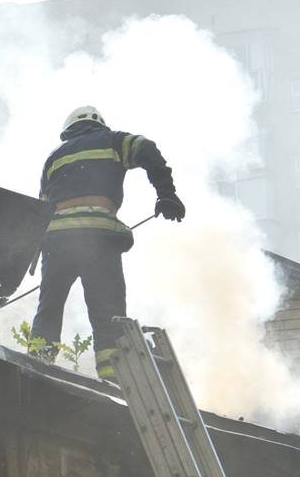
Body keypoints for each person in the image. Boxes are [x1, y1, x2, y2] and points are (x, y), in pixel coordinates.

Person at [30, 105, 185, 382]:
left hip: (57, 239)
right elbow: (147, 149)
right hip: (99, 238)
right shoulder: (114, 141)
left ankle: (38, 365)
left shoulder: (53, 157)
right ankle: (113, 378)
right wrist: (166, 194)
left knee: (49, 307)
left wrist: (33, 250)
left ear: (69, 130)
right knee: (107, 312)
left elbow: (40, 208)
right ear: (98, 125)